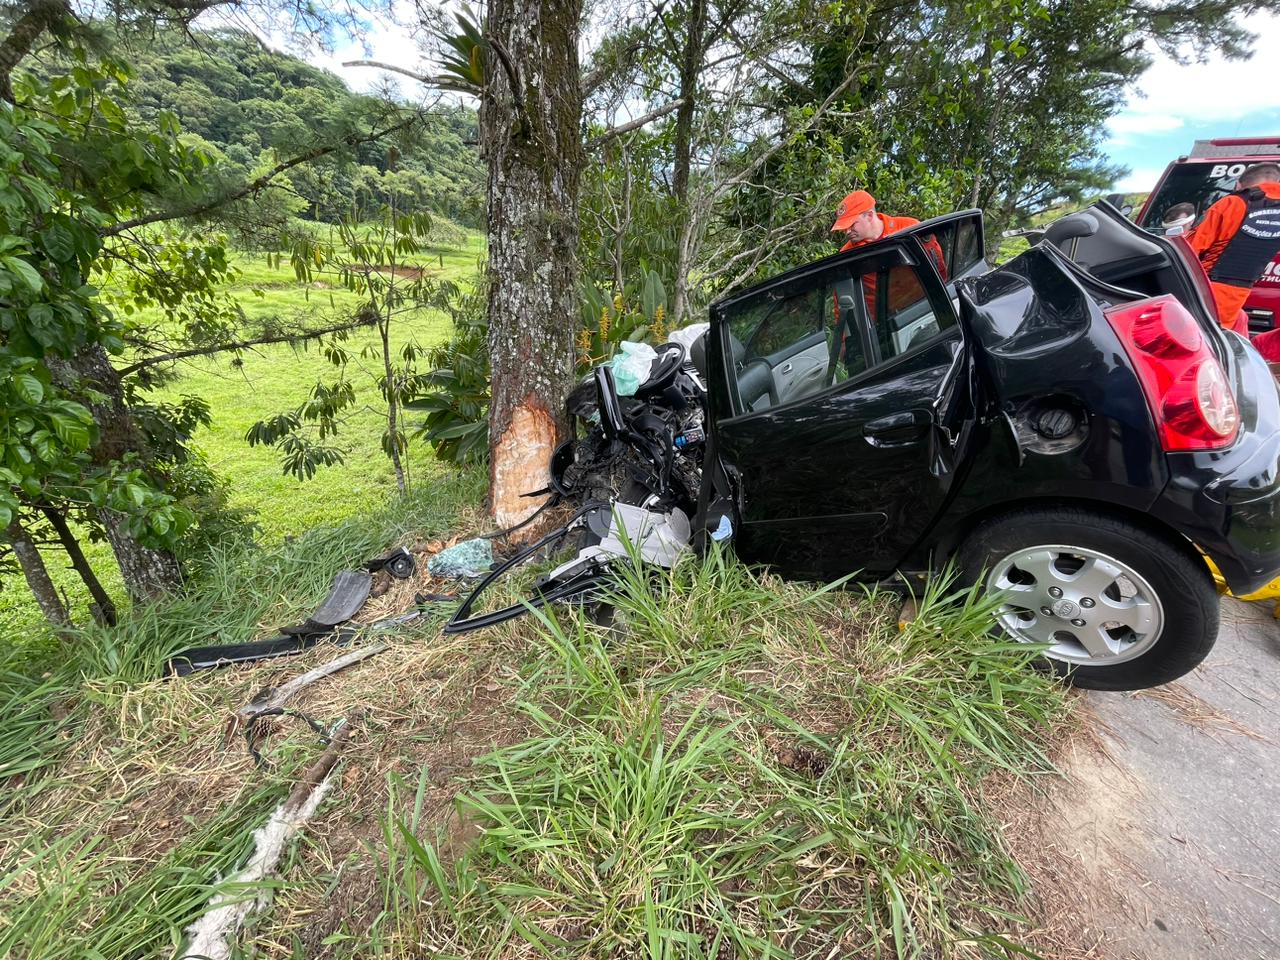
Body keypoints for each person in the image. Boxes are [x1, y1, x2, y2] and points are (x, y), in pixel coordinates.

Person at [1184, 162, 1280, 332]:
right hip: (1239, 295)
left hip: (1205, 292)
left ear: (1239, 185)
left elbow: (1188, 250)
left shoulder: (1231, 204)